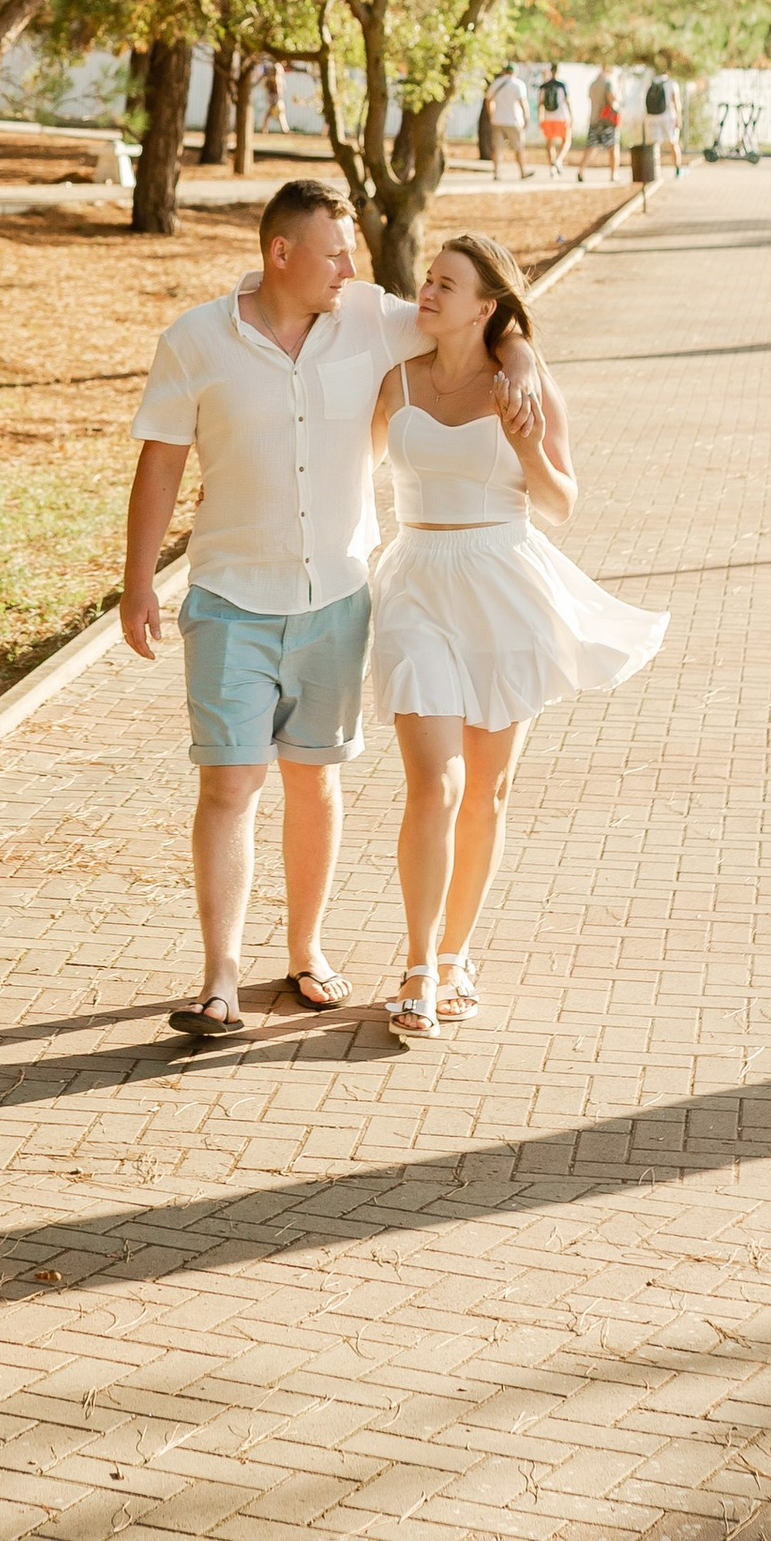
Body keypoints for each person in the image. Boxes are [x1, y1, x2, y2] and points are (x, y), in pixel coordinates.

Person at [123, 180, 542, 1039]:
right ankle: (219, 982)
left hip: (337, 597)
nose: (353, 268)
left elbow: (475, 318)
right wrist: (137, 582)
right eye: (335, 252)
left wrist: (526, 359)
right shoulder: (196, 340)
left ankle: (306, 954)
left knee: (315, 780)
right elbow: (160, 462)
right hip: (230, 596)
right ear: (282, 254)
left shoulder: (367, 317)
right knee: (231, 784)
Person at [367, 234, 667, 1040]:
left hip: (501, 579)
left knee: (488, 791)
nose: (427, 292)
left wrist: (526, 433)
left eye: (447, 284)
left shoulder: (522, 383)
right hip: (415, 581)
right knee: (436, 784)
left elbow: (561, 502)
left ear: (487, 306)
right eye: (427, 278)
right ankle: (418, 966)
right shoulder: (395, 376)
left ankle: (457, 955)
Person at [483, 68, 530, 180]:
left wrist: (491, 114)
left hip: (497, 120)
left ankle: (496, 173)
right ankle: (523, 172)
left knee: (497, 147)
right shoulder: (518, 84)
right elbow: (523, 102)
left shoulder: (496, 83)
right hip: (514, 120)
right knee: (518, 147)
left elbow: (489, 100)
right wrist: (526, 117)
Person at [583, 68, 622, 178]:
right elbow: (612, 99)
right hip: (607, 120)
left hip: (594, 118)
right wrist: (619, 94)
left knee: (591, 146)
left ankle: (581, 170)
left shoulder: (593, 83)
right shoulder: (609, 83)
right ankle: (614, 174)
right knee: (613, 147)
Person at [538, 68, 573, 176]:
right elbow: (568, 102)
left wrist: (540, 118)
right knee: (566, 140)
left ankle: (552, 168)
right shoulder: (562, 85)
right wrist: (571, 116)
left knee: (550, 143)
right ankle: (558, 160)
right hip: (562, 117)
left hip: (548, 118)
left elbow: (540, 103)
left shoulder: (544, 86)